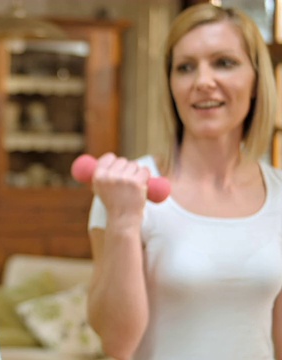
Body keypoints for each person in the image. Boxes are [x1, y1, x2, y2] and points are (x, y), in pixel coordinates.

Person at [86, 3, 282, 360]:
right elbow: (116, 344)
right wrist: (124, 222)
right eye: (185, 67)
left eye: (224, 62)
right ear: (172, 85)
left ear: (256, 81)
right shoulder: (126, 190)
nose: (202, 81)